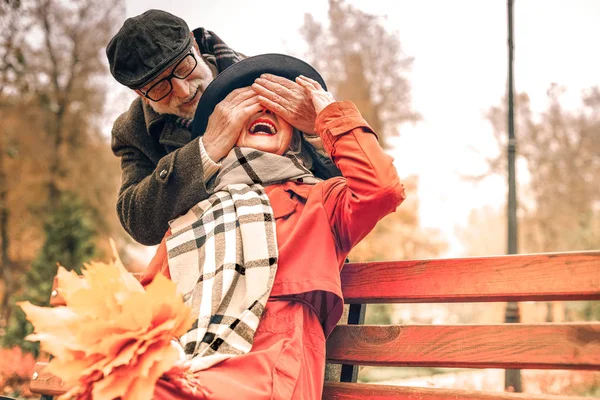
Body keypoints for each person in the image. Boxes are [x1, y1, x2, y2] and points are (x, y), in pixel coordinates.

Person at [135, 54, 407, 399]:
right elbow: (148, 309)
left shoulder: (320, 201)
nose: (263, 112)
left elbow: (381, 189)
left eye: (277, 108)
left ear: (296, 134)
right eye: (249, 105)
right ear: (228, 130)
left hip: (272, 365)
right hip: (184, 364)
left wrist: (326, 117)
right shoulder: (191, 217)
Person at [106, 9, 339, 246]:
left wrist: (319, 129)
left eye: (184, 68)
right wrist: (204, 151)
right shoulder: (132, 130)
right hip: (211, 263)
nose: (184, 91)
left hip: (311, 247)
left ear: (194, 45)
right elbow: (138, 223)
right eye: (158, 88)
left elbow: (352, 183)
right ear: (140, 93)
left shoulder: (269, 75)